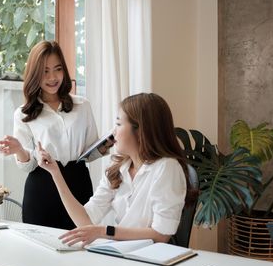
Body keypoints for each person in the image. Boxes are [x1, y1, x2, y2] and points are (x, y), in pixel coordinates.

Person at [36, 93, 196, 246]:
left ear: (140, 130)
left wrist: (104, 231)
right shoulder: (118, 169)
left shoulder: (167, 168)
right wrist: (55, 173)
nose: (113, 132)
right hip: (121, 256)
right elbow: (85, 220)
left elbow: (161, 235)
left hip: (151, 263)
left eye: (119, 124)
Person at [0, 40, 110, 231]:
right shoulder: (23, 113)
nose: (53, 77)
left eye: (57, 69)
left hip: (78, 184)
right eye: (45, 71)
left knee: (81, 247)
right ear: (35, 74)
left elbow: (90, 153)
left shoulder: (82, 106)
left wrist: (106, 146)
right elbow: (28, 166)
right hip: (41, 188)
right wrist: (20, 150)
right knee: (40, 252)